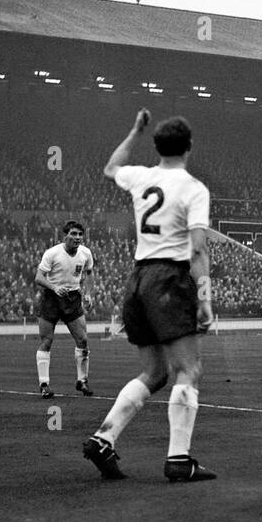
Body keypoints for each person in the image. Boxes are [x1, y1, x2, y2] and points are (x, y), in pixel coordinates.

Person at [83, 110, 215, 482]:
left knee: (155, 372)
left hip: (138, 279)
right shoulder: (193, 188)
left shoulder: (140, 176)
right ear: (189, 147)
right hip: (170, 279)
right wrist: (204, 298)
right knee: (188, 369)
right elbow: (199, 250)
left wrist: (134, 131)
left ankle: (103, 437)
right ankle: (178, 459)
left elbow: (111, 167)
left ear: (156, 146)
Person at [34, 220, 94, 397]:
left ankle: (82, 381)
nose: (77, 237)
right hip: (51, 298)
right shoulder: (52, 253)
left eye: (80, 234)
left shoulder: (85, 253)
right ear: (65, 236)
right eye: (73, 234)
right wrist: (54, 287)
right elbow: (39, 277)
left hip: (72, 298)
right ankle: (44, 384)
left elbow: (89, 273)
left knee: (82, 339)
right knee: (47, 340)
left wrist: (88, 294)